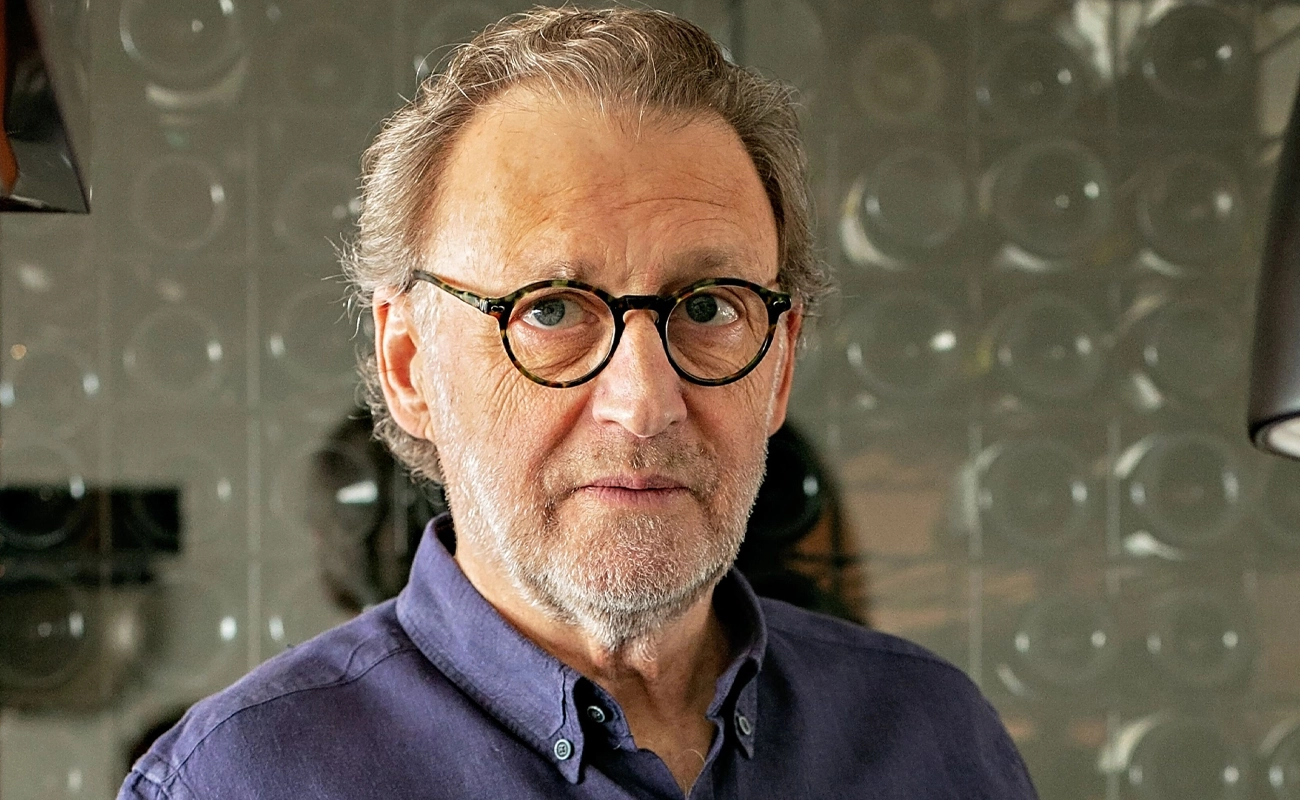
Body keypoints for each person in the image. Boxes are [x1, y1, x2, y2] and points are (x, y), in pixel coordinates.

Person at [119, 8, 1038, 798]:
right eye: (551, 310)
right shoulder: (235, 781)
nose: (644, 402)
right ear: (409, 365)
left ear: (782, 365)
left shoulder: (934, 741)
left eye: (708, 308)